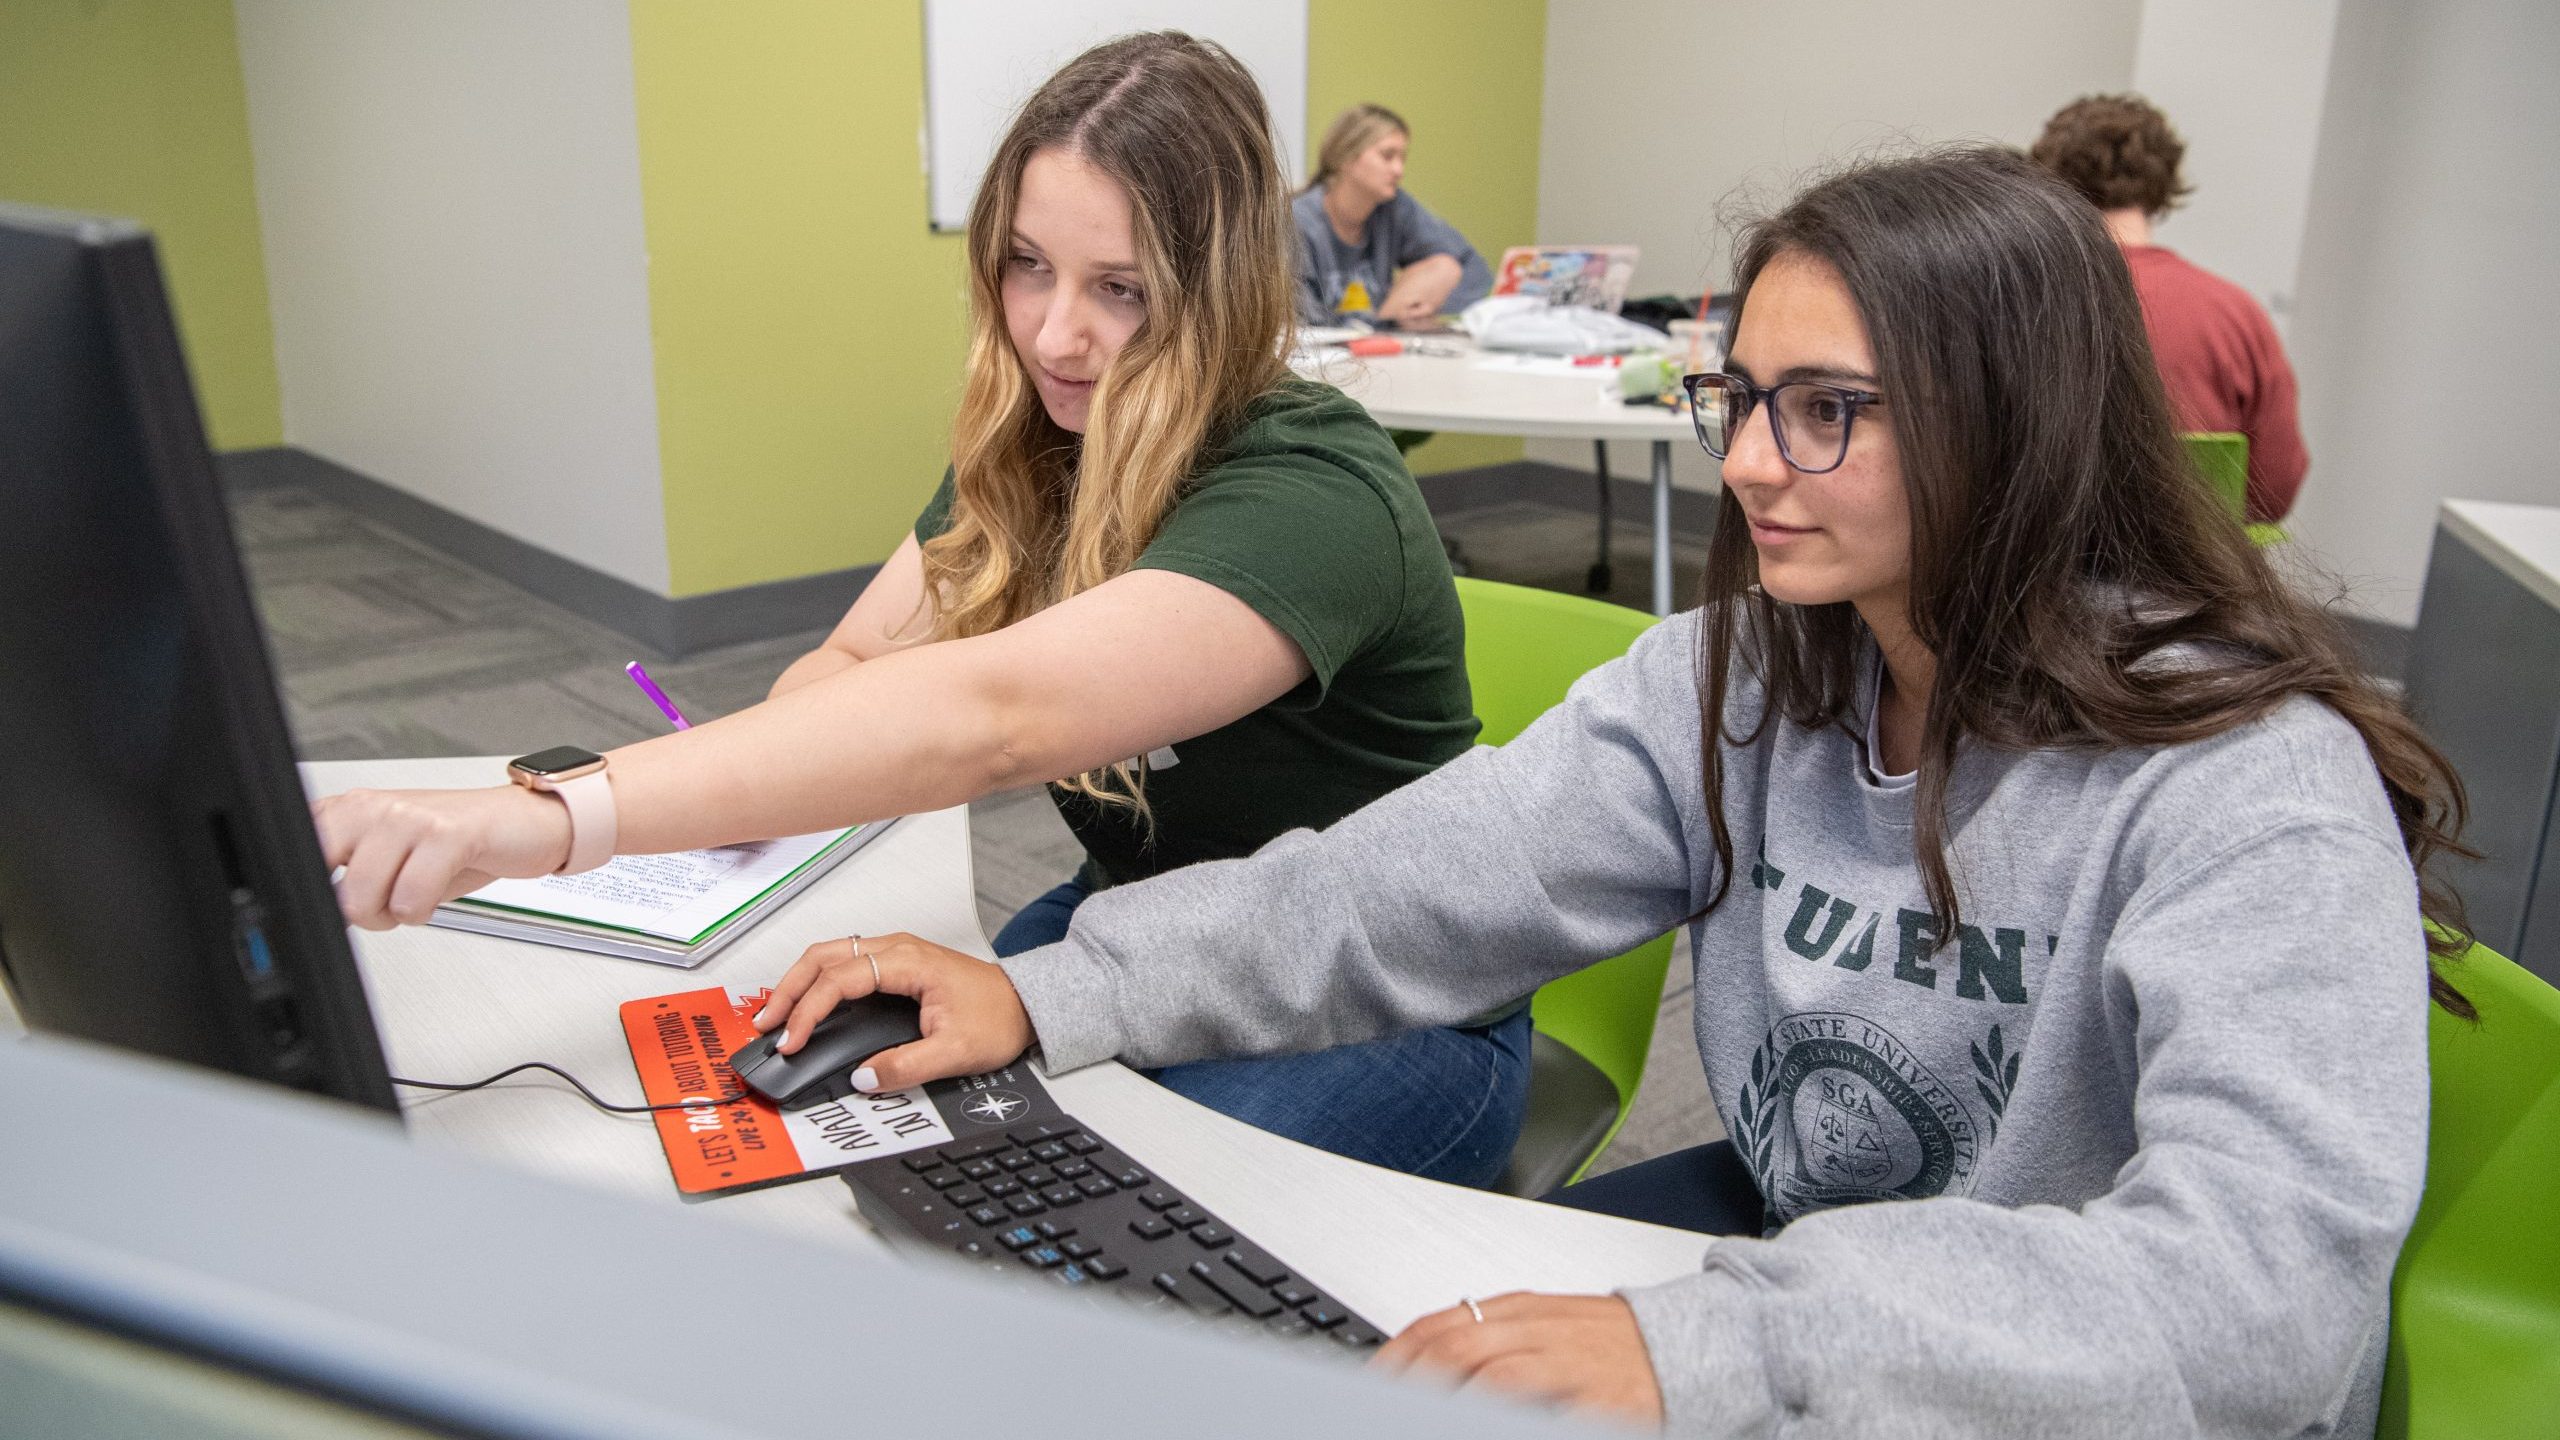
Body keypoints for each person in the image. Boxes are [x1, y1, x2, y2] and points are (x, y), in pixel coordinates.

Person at [755, 147, 2472, 1436]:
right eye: (1745, 400)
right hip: (1842, 1272)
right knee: (1383, 1365)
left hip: (2102, 1388)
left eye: (1824, 413)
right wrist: (1043, 993)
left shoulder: (2250, 787)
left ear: (2012, 426)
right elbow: (1388, 892)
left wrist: (1729, 1346)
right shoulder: (1749, 676)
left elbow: (2262, 1298)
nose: (1742, 465)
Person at [311, 32, 1534, 1189]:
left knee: (1090, 1240)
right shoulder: (1048, 442)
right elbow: (855, 656)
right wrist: (752, 774)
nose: (1058, 334)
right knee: (915, 1152)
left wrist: (556, 820)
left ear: (1217, 290)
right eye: (1027, 266)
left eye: (1120, 287)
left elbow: (995, 717)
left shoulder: (1312, 493)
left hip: (1384, 1001)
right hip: (1142, 927)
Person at [2032, 93, 2311, 524]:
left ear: (2051, 182)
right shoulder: (2235, 312)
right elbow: (2274, 488)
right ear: (2163, 185)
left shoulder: (2030, 296)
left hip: (2040, 564)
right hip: (2194, 575)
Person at [1293, 103, 1493, 327]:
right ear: (1345, 157)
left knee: (1444, 265)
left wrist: (1432, 309)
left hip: (1376, 345)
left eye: (1402, 159)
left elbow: (1468, 263)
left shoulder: (1394, 207)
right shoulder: (1296, 220)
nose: (1399, 170)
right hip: (1317, 351)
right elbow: (1298, 319)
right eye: (1387, 156)